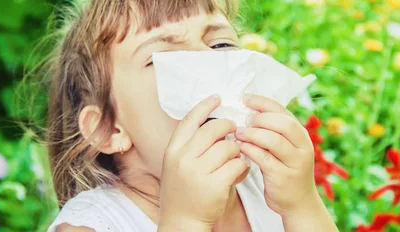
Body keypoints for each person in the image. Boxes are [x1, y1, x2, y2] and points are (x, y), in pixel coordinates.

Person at [42, 0, 339, 231]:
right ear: (107, 129)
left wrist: (301, 204)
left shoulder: (266, 190)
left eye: (221, 45)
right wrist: (186, 222)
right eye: (166, 58)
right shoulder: (93, 224)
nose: (208, 60)